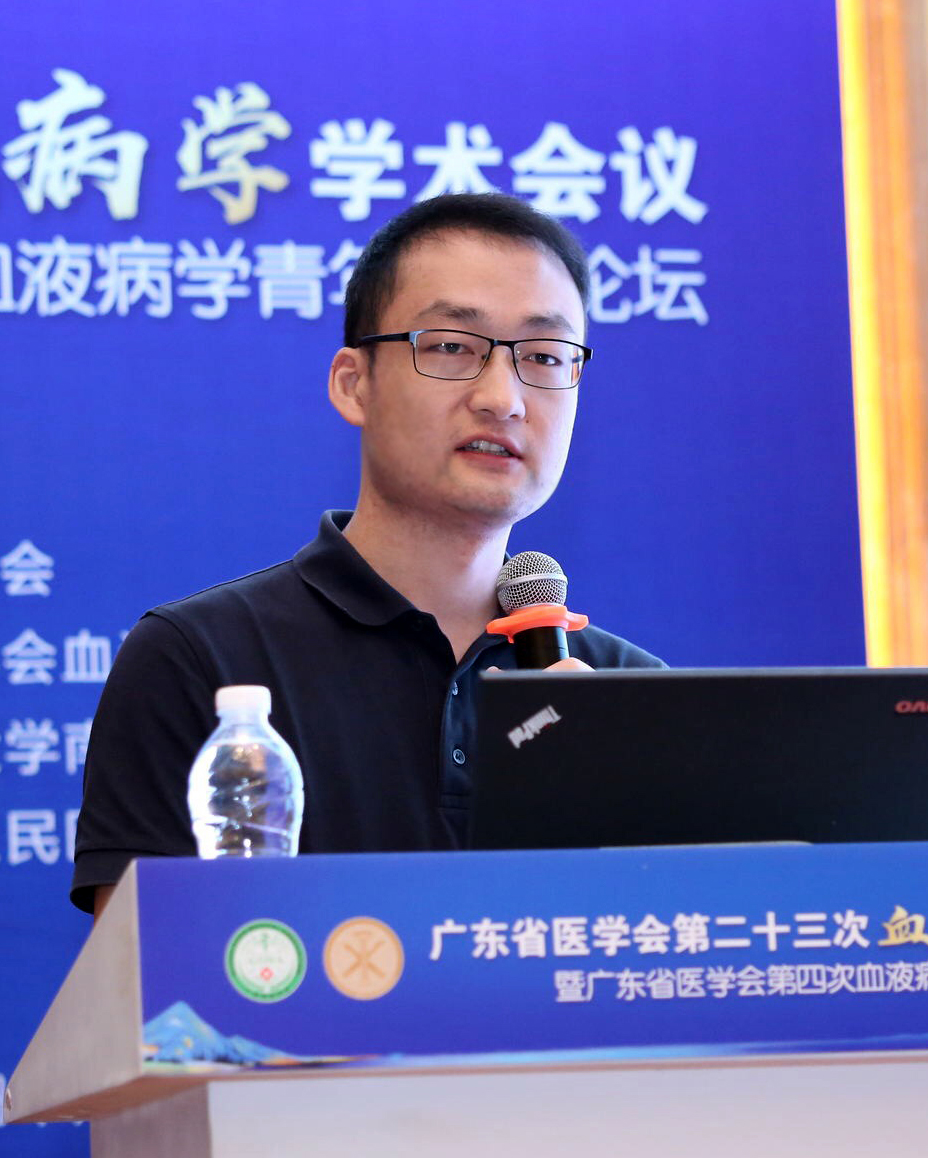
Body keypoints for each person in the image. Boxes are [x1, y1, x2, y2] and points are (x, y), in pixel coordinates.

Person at [71, 192, 664, 917]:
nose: (503, 398)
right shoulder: (199, 659)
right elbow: (146, 972)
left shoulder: (630, 696)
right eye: (452, 347)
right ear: (354, 385)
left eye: (543, 357)